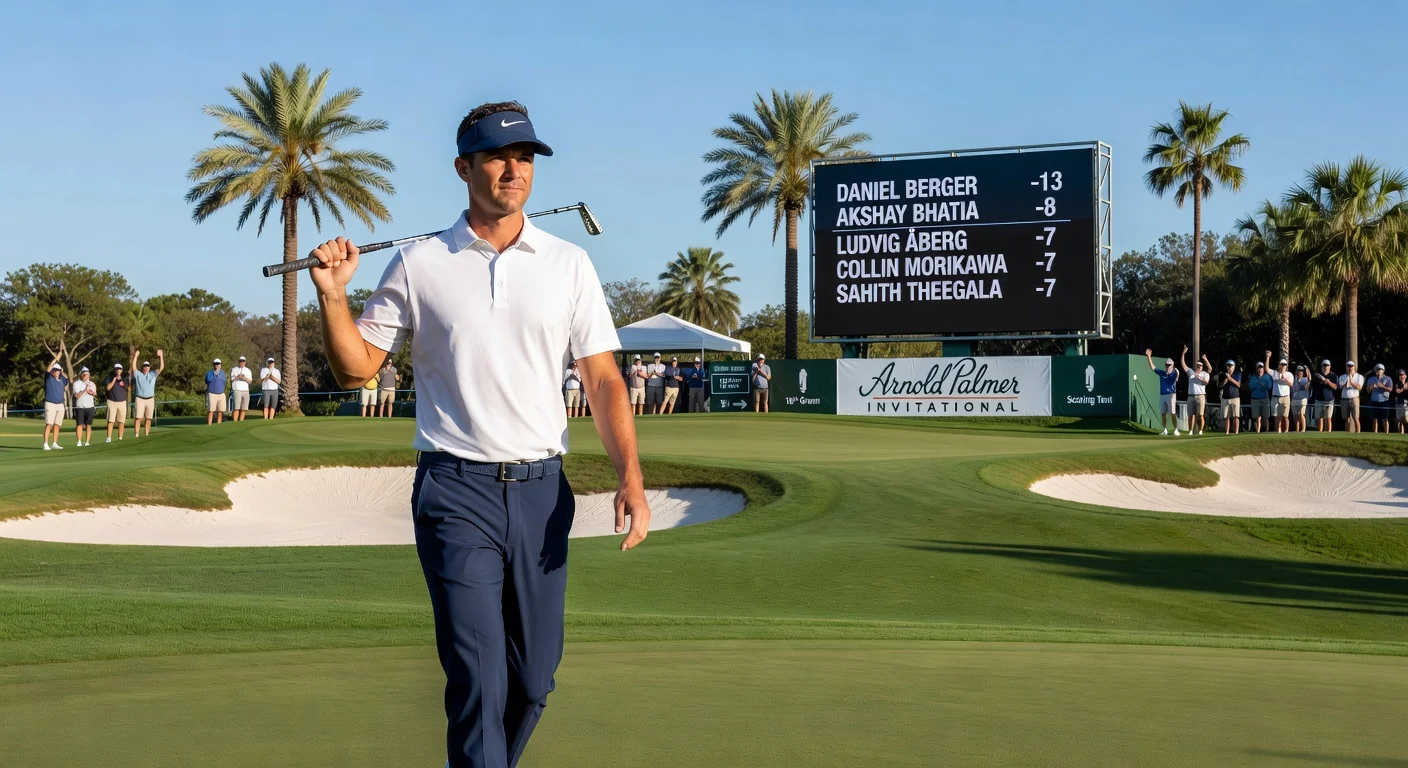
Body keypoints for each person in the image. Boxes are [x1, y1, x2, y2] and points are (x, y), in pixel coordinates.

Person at [305, 99, 650, 768]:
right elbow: (358, 370)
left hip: (543, 494)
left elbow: (604, 381)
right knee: (478, 679)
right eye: (496, 156)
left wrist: (630, 478)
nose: (512, 170)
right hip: (455, 490)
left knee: (531, 681)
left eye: (523, 158)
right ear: (463, 167)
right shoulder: (417, 263)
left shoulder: (568, 263)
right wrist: (331, 295)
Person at [1146, 349, 1180, 435]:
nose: (1168, 366)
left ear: (1172, 366)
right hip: (1162, 395)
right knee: (1163, 414)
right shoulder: (1162, 373)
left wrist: (1175, 374)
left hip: (1171, 395)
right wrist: (1149, 356)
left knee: (1172, 413)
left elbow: (1177, 375)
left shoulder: (1175, 372)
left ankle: (1176, 429)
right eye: (1167, 365)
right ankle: (1165, 429)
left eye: (1169, 365)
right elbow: (1153, 367)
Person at [130, 349, 164, 436]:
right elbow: (133, 366)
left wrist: (161, 356)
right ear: (142, 367)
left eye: (147, 366)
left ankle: (146, 434)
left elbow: (161, 367)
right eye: (144, 366)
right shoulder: (138, 374)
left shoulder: (153, 374)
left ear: (149, 367)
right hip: (140, 399)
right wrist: (136, 356)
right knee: (138, 417)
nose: (146, 367)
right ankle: (136, 434)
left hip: (150, 399)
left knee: (148, 418)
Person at [1180, 346, 1208, 435]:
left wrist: (1198, 376)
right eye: (1198, 366)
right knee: (1190, 415)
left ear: (1202, 367)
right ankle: (1190, 431)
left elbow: (1205, 382)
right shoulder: (1191, 372)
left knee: (1200, 415)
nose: (1199, 367)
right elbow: (1183, 364)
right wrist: (1183, 353)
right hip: (1191, 396)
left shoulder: (1204, 374)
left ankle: (1200, 430)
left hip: (1200, 396)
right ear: (1196, 366)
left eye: (1200, 366)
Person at [42, 356, 68, 450]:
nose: (56, 372)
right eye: (55, 370)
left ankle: (54, 443)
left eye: (58, 370)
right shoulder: (49, 378)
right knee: (49, 423)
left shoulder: (62, 379)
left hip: (60, 404)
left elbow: (66, 385)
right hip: (50, 403)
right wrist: (55, 359)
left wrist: (66, 376)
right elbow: (48, 369)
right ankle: (45, 443)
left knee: (57, 424)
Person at [1268, 353, 1294, 434]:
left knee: (1285, 416)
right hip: (1276, 397)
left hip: (1285, 397)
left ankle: (1286, 431)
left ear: (1286, 366)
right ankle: (1278, 431)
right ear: (1279, 365)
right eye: (1281, 364)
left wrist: (1284, 378)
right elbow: (1266, 369)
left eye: (1284, 365)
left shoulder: (1289, 374)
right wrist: (1268, 357)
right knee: (1277, 416)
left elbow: (1291, 384)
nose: (1283, 366)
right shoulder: (1275, 373)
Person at [1245, 360, 1273, 434]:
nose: (1260, 369)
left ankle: (1266, 432)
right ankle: (1258, 432)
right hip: (1255, 399)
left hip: (1265, 399)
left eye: (1261, 368)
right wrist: (1259, 383)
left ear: (1264, 369)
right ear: (1256, 369)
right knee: (1257, 417)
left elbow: (1269, 386)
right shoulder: (1253, 377)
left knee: (1265, 417)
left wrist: (1262, 384)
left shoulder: (1267, 377)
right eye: (1258, 368)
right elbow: (1251, 387)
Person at [72, 367, 96, 447]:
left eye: (87, 374)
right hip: (80, 407)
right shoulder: (77, 383)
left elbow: (94, 393)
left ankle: (87, 442)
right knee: (79, 424)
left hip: (90, 406)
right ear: (81, 375)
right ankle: (79, 441)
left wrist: (90, 391)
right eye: (84, 374)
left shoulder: (92, 383)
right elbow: (77, 396)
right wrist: (85, 390)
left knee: (88, 424)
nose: (85, 376)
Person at [104, 363, 129, 443]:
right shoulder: (109, 378)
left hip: (122, 402)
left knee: (121, 421)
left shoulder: (124, 379)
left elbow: (127, 388)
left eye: (119, 369)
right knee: (111, 420)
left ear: (121, 370)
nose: (118, 370)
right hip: (112, 401)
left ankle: (120, 438)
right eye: (117, 369)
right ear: (114, 370)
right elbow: (108, 388)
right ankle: (109, 438)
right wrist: (114, 381)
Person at [1366, 363, 1394, 433]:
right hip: (1374, 401)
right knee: (1374, 419)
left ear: (1383, 371)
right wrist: (1371, 387)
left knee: (1385, 419)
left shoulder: (1388, 378)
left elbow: (1390, 389)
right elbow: (1368, 391)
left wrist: (1382, 387)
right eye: (1377, 370)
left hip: (1384, 401)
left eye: (1380, 369)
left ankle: (1386, 433)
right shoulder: (1371, 379)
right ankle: (1375, 433)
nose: (1378, 371)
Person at [1217, 358, 1242, 435]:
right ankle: (1227, 432)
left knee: (1236, 416)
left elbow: (1238, 384)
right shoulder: (1222, 375)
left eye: (1231, 366)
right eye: (1228, 366)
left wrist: (1230, 379)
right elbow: (1219, 385)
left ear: (1234, 367)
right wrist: (1224, 382)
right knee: (1226, 416)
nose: (1229, 367)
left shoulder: (1237, 374)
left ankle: (1236, 432)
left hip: (1235, 397)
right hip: (1225, 398)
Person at [1312, 360, 1338, 432]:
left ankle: (1328, 433)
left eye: (1327, 366)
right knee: (1319, 418)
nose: (1325, 367)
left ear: (1330, 367)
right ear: (1321, 366)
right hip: (1319, 399)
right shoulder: (1317, 375)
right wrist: (1322, 380)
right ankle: (1320, 433)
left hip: (1329, 400)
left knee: (1328, 418)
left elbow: (1335, 387)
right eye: (1324, 365)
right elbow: (1314, 385)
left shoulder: (1333, 376)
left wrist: (1328, 382)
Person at [1339, 361, 1364, 433]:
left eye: (1351, 366)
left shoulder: (1359, 376)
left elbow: (1359, 387)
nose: (1350, 368)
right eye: (1348, 366)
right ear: (1346, 367)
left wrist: (1352, 382)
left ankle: (1358, 432)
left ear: (1354, 367)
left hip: (1354, 399)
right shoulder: (1342, 376)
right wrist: (1346, 382)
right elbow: (1340, 387)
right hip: (1344, 399)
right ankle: (1348, 433)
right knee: (1346, 418)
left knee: (1356, 417)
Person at [227, 356, 254, 422]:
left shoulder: (248, 370)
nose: (241, 363)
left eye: (243, 361)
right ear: (238, 362)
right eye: (240, 361)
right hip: (237, 389)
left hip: (245, 390)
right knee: (236, 407)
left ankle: (241, 421)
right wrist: (238, 377)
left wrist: (244, 378)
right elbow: (232, 379)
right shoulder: (234, 369)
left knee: (244, 408)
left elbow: (250, 381)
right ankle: (235, 421)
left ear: (245, 362)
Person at [205, 359, 227, 425]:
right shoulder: (210, 372)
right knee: (211, 410)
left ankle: (219, 424)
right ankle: (209, 424)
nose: (217, 366)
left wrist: (218, 373)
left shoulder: (222, 373)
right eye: (215, 364)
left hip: (221, 394)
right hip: (212, 394)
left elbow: (223, 381)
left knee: (220, 411)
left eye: (218, 364)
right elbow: (208, 380)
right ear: (213, 365)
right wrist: (215, 373)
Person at [1291, 365, 1312, 433]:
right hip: (1294, 398)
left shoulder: (1305, 379)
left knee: (1301, 414)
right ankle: (1297, 430)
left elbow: (1309, 380)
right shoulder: (1293, 379)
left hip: (1303, 398)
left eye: (1301, 371)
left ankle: (1303, 429)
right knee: (1296, 415)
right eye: (1299, 371)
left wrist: (1307, 370)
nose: (1300, 372)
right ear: (1296, 371)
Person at [1395, 369, 1408, 435]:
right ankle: (1401, 434)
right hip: (1399, 404)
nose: (1401, 376)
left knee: (1406, 419)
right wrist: (1403, 388)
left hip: (1406, 404)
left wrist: (1404, 388)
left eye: (1402, 375)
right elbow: (1397, 391)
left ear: (1405, 376)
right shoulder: (1398, 384)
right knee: (1400, 420)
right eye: (1400, 375)